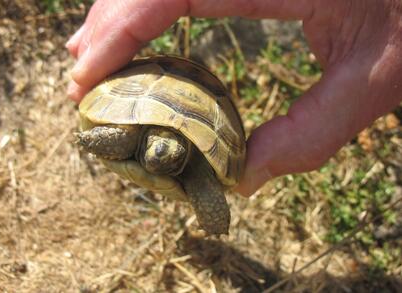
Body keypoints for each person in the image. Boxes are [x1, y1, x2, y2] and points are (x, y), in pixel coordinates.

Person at [65, 0, 402, 196]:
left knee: (208, 197)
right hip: (137, 107)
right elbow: (116, 134)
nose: (159, 159)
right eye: (160, 150)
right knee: (115, 136)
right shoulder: (130, 136)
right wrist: (93, 138)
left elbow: (208, 189)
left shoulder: (195, 169)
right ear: (149, 138)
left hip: (198, 147)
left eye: (168, 157)